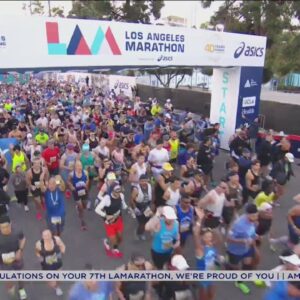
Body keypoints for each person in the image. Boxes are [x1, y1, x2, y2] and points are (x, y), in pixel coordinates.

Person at [226, 203, 259, 295]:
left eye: (256, 215)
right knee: (235, 267)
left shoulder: (254, 221)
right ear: (247, 214)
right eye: (253, 215)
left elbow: (251, 231)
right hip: (235, 250)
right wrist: (242, 241)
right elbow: (228, 238)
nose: (255, 217)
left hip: (246, 248)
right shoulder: (238, 224)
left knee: (248, 263)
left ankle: (247, 277)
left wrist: (254, 236)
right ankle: (239, 282)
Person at [194, 207, 220, 300]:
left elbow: (218, 238)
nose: (209, 238)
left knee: (212, 296)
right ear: (202, 238)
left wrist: (213, 223)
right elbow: (196, 234)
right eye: (207, 237)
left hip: (212, 275)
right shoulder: (200, 249)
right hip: (203, 279)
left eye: (210, 236)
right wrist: (199, 219)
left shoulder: (212, 245)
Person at [95, 183, 128, 258]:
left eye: (119, 191)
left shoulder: (121, 196)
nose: (118, 193)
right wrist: (105, 216)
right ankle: (112, 248)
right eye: (116, 191)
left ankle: (113, 245)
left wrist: (127, 209)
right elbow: (97, 209)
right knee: (114, 240)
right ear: (112, 191)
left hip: (118, 220)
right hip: (110, 223)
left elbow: (123, 205)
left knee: (119, 238)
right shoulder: (107, 198)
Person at [0, 215, 27, 300]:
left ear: (10, 223)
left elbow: (23, 239)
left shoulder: (17, 231)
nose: (5, 229)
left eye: (7, 226)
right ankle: (11, 287)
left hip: (16, 258)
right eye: (2, 227)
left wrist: (20, 250)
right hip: (3, 262)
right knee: (8, 280)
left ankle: (21, 289)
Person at [35, 229, 65, 296]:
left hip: (57, 264)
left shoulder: (56, 239)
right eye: (45, 236)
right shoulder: (39, 244)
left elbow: (62, 246)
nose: (47, 237)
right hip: (47, 267)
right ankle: (55, 287)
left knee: (59, 279)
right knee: (52, 283)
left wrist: (61, 253)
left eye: (48, 235)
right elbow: (37, 251)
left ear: (51, 234)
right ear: (42, 236)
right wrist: (40, 258)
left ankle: (57, 286)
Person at [68, 160, 89, 230]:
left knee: (84, 205)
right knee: (81, 208)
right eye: (77, 166)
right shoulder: (72, 174)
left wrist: (86, 184)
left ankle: (79, 207)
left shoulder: (85, 172)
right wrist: (71, 186)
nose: (79, 167)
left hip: (84, 192)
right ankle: (82, 222)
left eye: (80, 165)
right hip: (76, 192)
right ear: (75, 167)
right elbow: (68, 181)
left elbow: (87, 179)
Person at [131, 175, 153, 240]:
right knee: (142, 223)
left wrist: (151, 204)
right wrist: (135, 208)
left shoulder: (149, 186)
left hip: (146, 206)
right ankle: (139, 233)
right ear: (139, 182)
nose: (144, 182)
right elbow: (132, 200)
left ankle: (144, 231)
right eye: (142, 181)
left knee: (148, 219)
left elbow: (151, 194)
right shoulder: (136, 189)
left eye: (145, 181)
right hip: (139, 206)